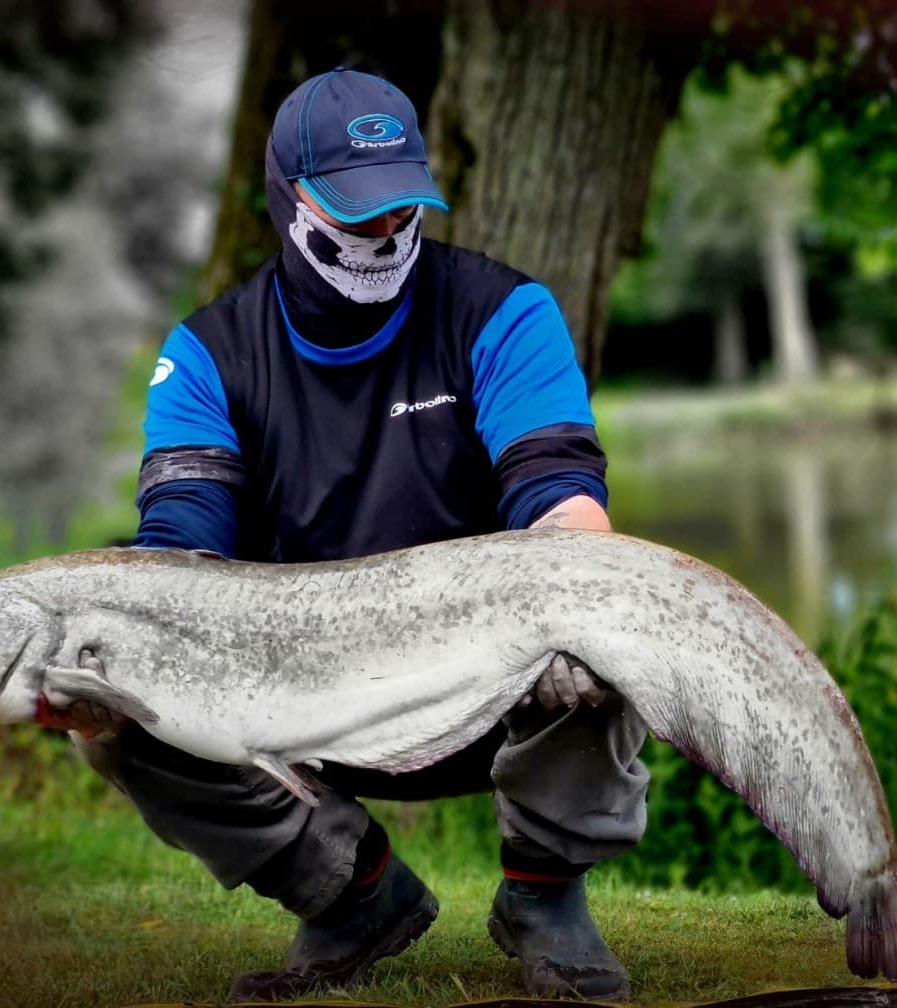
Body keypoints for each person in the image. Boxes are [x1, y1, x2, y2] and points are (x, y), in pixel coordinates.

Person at [64, 68, 650, 1002]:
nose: (386, 231)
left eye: (400, 206)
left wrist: (581, 572)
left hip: (489, 688)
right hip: (297, 709)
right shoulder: (205, 355)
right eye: (356, 211)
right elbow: (181, 547)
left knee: (603, 594)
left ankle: (545, 898)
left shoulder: (505, 312)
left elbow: (558, 489)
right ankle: (351, 895)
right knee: (120, 720)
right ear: (286, 202)